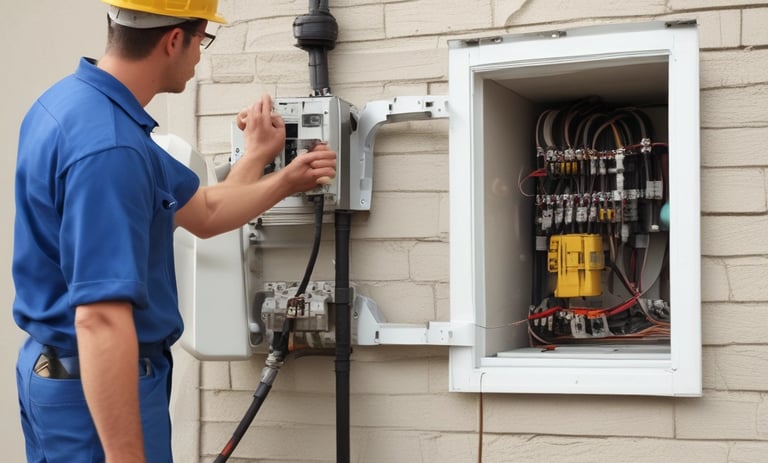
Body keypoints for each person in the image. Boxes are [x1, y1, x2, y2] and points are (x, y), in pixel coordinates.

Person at [12, 1, 336, 462]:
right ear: (173, 40)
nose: (200, 56)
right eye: (202, 40)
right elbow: (100, 317)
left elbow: (201, 212)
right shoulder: (111, 148)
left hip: (69, 375)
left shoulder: (75, 105)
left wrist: (270, 166)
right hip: (95, 387)